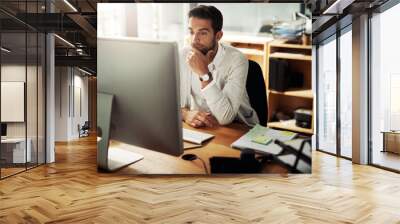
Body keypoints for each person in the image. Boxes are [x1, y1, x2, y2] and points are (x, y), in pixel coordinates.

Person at [180, 5, 259, 128]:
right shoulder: (184, 54)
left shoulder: (237, 59)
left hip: (239, 128)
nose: (194, 40)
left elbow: (225, 117)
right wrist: (185, 114)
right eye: (191, 32)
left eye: (203, 33)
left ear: (218, 36)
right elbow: (171, 103)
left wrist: (204, 74)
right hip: (204, 126)